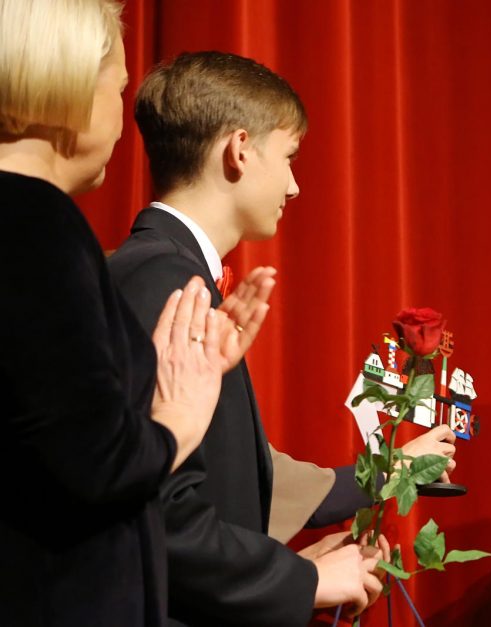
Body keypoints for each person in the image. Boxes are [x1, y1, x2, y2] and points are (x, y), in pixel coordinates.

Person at [108, 51, 457, 625]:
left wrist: (284, 565)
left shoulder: (167, 270)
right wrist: (301, 579)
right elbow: (157, 506)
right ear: (240, 149)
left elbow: (221, 482)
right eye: (290, 157)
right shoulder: (165, 280)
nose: (294, 186)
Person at [0, 1, 269, 624]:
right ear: (65, 83)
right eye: (117, 89)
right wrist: (177, 412)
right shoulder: (35, 223)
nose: (124, 124)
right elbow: (94, 465)